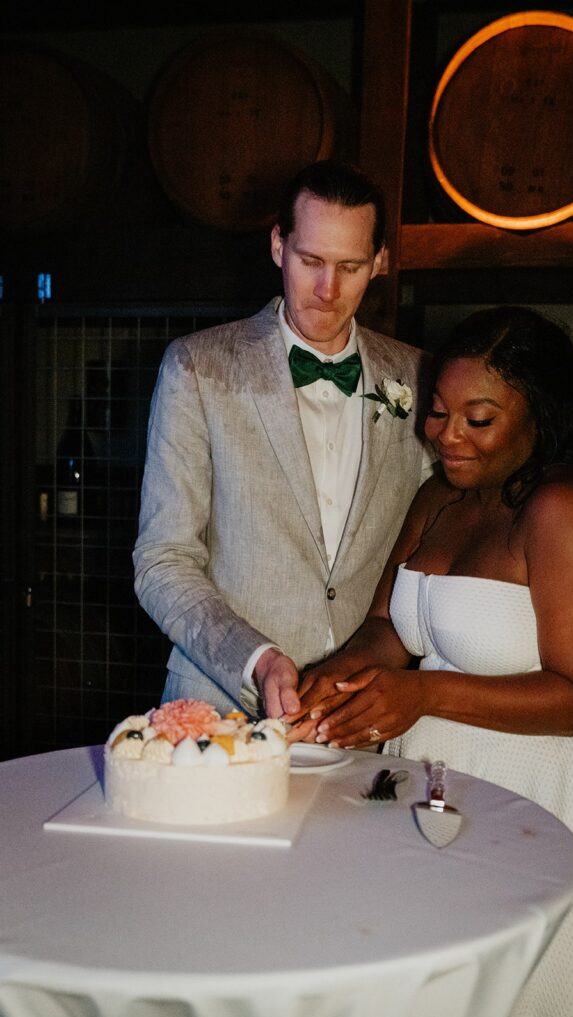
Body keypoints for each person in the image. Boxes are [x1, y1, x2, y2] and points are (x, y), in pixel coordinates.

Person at [291, 306, 573, 1017]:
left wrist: (419, 693)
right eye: (438, 413)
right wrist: (328, 680)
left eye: (478, 419)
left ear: (539, 414)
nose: (446, 436)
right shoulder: (437, 496)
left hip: (554, 797)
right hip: (441, 782)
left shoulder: (569, 509)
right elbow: (387, 627)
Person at [133, 159, 433, 720]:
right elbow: (162, 561)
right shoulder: (198, 368)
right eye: (310, 260)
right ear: (278, 245)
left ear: (382, 262)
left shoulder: (419, 378)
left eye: (351, 266)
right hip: (220, 709)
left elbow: (455, 542)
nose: (328, 289)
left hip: (359, 714)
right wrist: (258, 661)